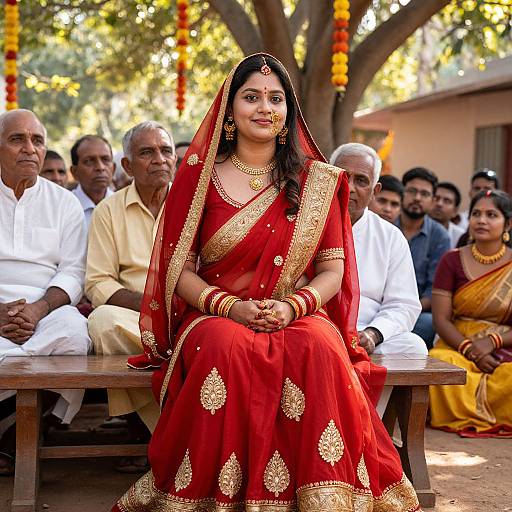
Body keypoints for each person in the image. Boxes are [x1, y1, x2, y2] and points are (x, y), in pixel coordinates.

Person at [113, 54, 420, 511]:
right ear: (229, 108)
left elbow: (332, 269)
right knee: (224, 348)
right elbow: (181, 271)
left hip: (294, 309)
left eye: (275, 98)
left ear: (288, 111)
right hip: (218, 312)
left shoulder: (316, 181)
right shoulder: (199, 178)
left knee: (319, 346)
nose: (264, 108)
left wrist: (293, 307)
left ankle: (326, 494)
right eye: (251, 97)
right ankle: (211, 495)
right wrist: (229, 306)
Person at [0, 109, 90, 475]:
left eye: (37, 141)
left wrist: (36, 310)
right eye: (17, 139)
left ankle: (23, 431)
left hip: (47, 306)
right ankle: (21, 429)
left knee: (74, 337)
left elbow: (73, 270)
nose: (30, 149)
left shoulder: (63, 202)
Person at [86, 121, 176, 459]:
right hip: (133, 317)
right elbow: (98, 282)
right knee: (102, 323)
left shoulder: (196, 206)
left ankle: (151, 435)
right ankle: (165, 434)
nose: (159, 159)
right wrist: (152, 306)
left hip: (187, 311)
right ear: (127, 165)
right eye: (146, 152)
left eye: (165, 151)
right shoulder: (108, 210)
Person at [330, 143, 425, 358]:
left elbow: (404, 304)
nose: (350, 187)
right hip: (316, 327)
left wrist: (374, 333)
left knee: (414, 348)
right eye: (343, 176)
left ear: (375, 191)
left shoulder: (390, 237)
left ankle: (366, 394)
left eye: (361, 180)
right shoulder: (306, 224)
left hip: (367, 330)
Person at [430, 189, 512, 437]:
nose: (481, 220)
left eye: (491, 214)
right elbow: (440, 319)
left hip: (504, 345)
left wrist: (493, 341)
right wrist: (470, 349)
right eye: (476, 213)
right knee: (440, 364)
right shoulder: (451, 260)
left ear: (507, 223)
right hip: (458, 343)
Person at [395, 167, 450, 348]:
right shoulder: (386, 227)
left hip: (416, 309)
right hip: (379, 304)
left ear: (433, 200)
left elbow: (434, 289)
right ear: (402, 193)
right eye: (412, 191)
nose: (417, 198)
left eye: (424, 194)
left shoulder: (439, 236)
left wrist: (406, 310)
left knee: (428, 323)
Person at [70, 135, 115, 228]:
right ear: (74, 172)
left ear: (113, 168)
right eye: (89, 161)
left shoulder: (124, 206)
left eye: (105, 160)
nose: (100, 167)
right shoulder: (64, 207)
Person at [430, 181, 465, 249]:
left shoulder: (460, 237)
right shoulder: (413, 229)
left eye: (447, 201)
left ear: (455, 211)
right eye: (436, 198)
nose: (439, 204)